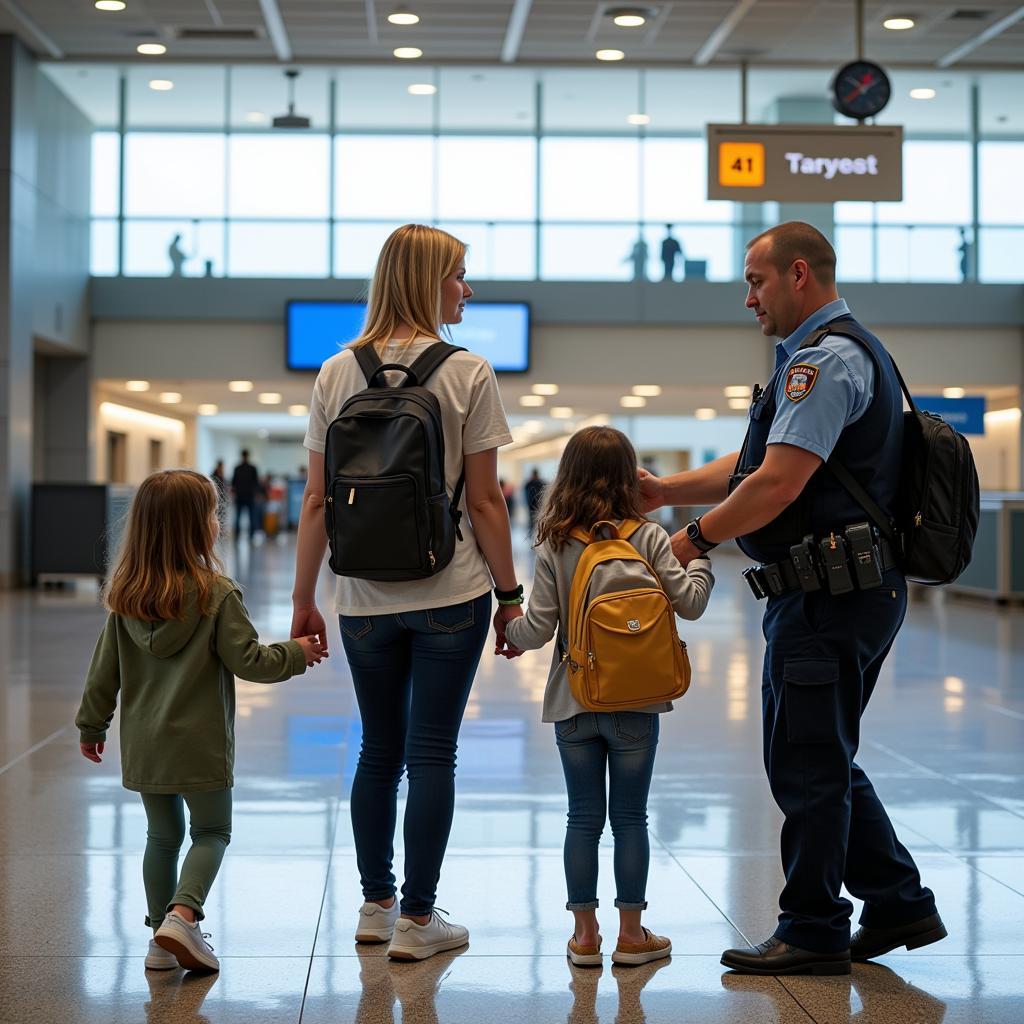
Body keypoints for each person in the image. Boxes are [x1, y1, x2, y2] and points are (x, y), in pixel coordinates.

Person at [639, 221, 944, 975]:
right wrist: (664, 492)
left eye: (756, 281)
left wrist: (691, 540)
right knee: (818, 755)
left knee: (806, 762)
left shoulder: (825, 361)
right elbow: (756, 463)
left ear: (798, 274)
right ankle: (900, 901)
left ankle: (813, 928)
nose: (748, 298)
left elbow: (778, 483)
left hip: (831, 594)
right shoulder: (827, 357)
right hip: (832, 591)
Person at [291, 224, 521, 962]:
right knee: (432, 753)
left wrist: (304, 599)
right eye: (459, 275)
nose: (468, 288)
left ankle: (375, 903)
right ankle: (420, 920)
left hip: (361, 597)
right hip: (449, 590)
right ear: (428, 281)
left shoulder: (335, 373)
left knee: (377, 751)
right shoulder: (468, 372)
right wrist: (510, 594)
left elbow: (317, 502)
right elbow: (485, 502)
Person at [75, 470, 326, 974]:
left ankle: (157, 940)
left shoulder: (125, 597)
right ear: (197, 528)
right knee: (212, 831)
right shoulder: (216, 593)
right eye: (213, 514)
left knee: (161, 837)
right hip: (202, 744)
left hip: (145, 743)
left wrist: (92, 725)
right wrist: (296, 653)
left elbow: (104, 672)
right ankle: (183, 916)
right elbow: (250, 661)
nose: (218, 522)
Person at [503, 426, 714, 968]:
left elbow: (538, 627)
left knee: (582, 818)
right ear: (630, 475)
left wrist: (508, 636)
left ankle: (585, 937)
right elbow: (689, 604)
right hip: (637, 703)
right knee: (630, 818)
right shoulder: (646, 535)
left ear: (565, 476)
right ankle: (632, 936)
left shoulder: (555, 539)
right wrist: (702, 563)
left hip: (574, 699)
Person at [230, 450, 260, 542]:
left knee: (239, 517)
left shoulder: (237, 468)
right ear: (248, 456)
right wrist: (257, 495)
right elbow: (256, 483)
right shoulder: (252, 468)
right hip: (249, 496)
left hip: (240, 496)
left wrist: (233, 494)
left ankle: (237, 536)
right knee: (251, 517)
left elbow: (233, 484)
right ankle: (251, 536)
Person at [524, 468, 545, 538]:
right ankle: (531, 535)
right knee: (532, 522)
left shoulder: (540, 483)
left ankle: (537, 535)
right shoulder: (529, 484)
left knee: (538, 521)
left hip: (538, 506)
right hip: (532, 506)